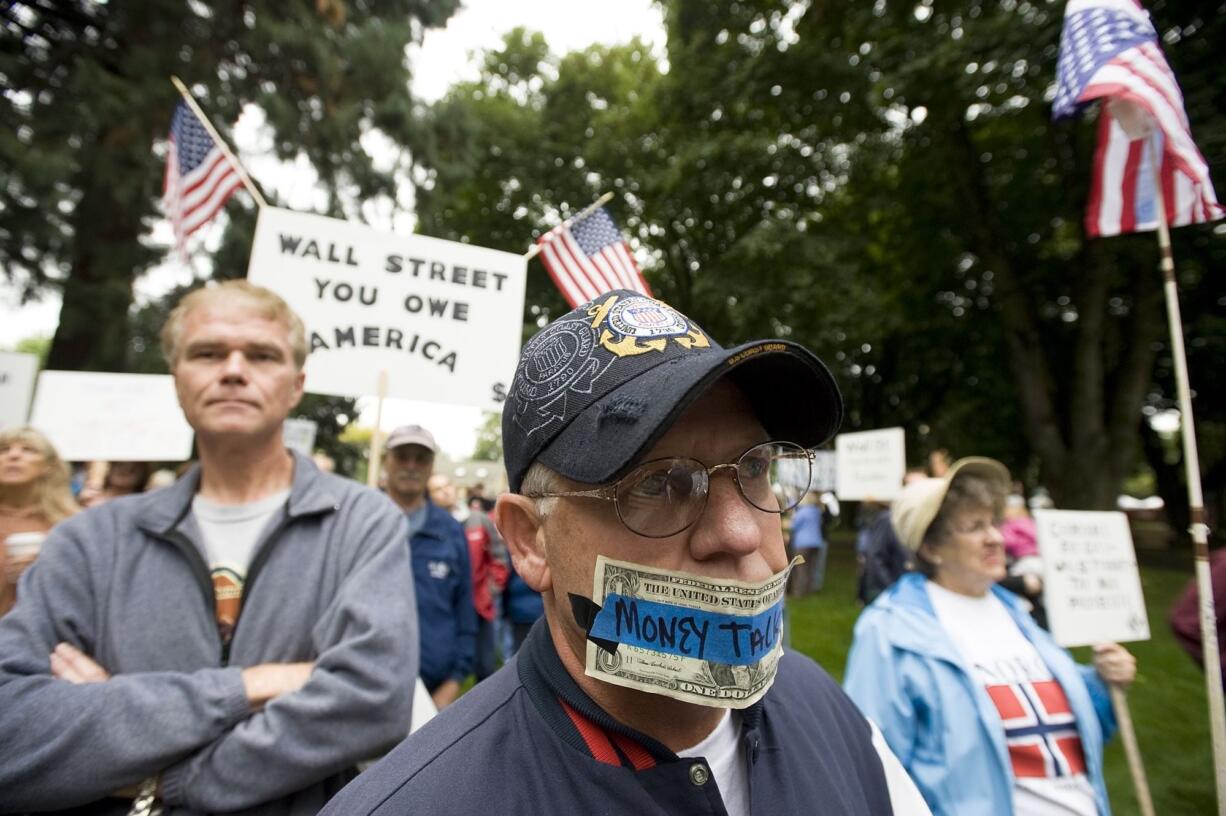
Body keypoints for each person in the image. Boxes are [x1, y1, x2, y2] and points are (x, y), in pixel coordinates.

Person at [323, 289, 929, 815]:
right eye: (657, 484)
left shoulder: (826, 707)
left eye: (755, 467)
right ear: (531, 542)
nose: (742, 533)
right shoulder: (418, 802)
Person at [0, 280, 418, 814]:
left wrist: (160, 775)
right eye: (208, 353)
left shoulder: (359, 522)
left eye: (262, 355)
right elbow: (12, 729)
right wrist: (251, 685)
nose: (234, 370)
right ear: (177, 379)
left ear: (296, 385)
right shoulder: (89, 540)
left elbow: (373, 704)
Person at [844, 458, 1137, 816]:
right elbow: (872, 766)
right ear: (930, 548)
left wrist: (1103, 682)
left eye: (994, 524)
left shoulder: (1018, 613)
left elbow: (1069, 733)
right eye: (973, 527)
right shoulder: (889, 630)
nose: (996, 538)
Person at [383, 424, 477, 710]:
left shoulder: (450, 530)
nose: (411, 466)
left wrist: (454, 681)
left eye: (420, 458)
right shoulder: (360, 523)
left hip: (434, 690)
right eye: (402, 456)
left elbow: (465, 608)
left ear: (431, 465)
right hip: (364, 687)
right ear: (386, 460)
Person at [0, 426, 79, 617]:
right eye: (3, 449)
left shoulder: (71, 524)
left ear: (49, 466)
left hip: (44, 635)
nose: (14, 455)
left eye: (28, 449)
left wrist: (50, 566)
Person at [463, 491, 510, 680]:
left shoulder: (482, 523)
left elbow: (499, 559)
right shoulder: (460, 525)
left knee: (485, 659)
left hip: (484, 601)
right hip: (467, 600)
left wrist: (490, 591)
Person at [788, 490, 826, 596]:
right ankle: (809, 590)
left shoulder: (802, 512)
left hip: (802, 544)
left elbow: (794, 526)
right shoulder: (817, 511)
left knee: (800, 568)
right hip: (816, 543)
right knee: (811, 567)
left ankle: (798, 592)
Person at [78, 460, 153, 508]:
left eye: (135, 463)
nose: (126, 467)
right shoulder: (88, 499)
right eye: (118, 463)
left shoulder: (148, 504)